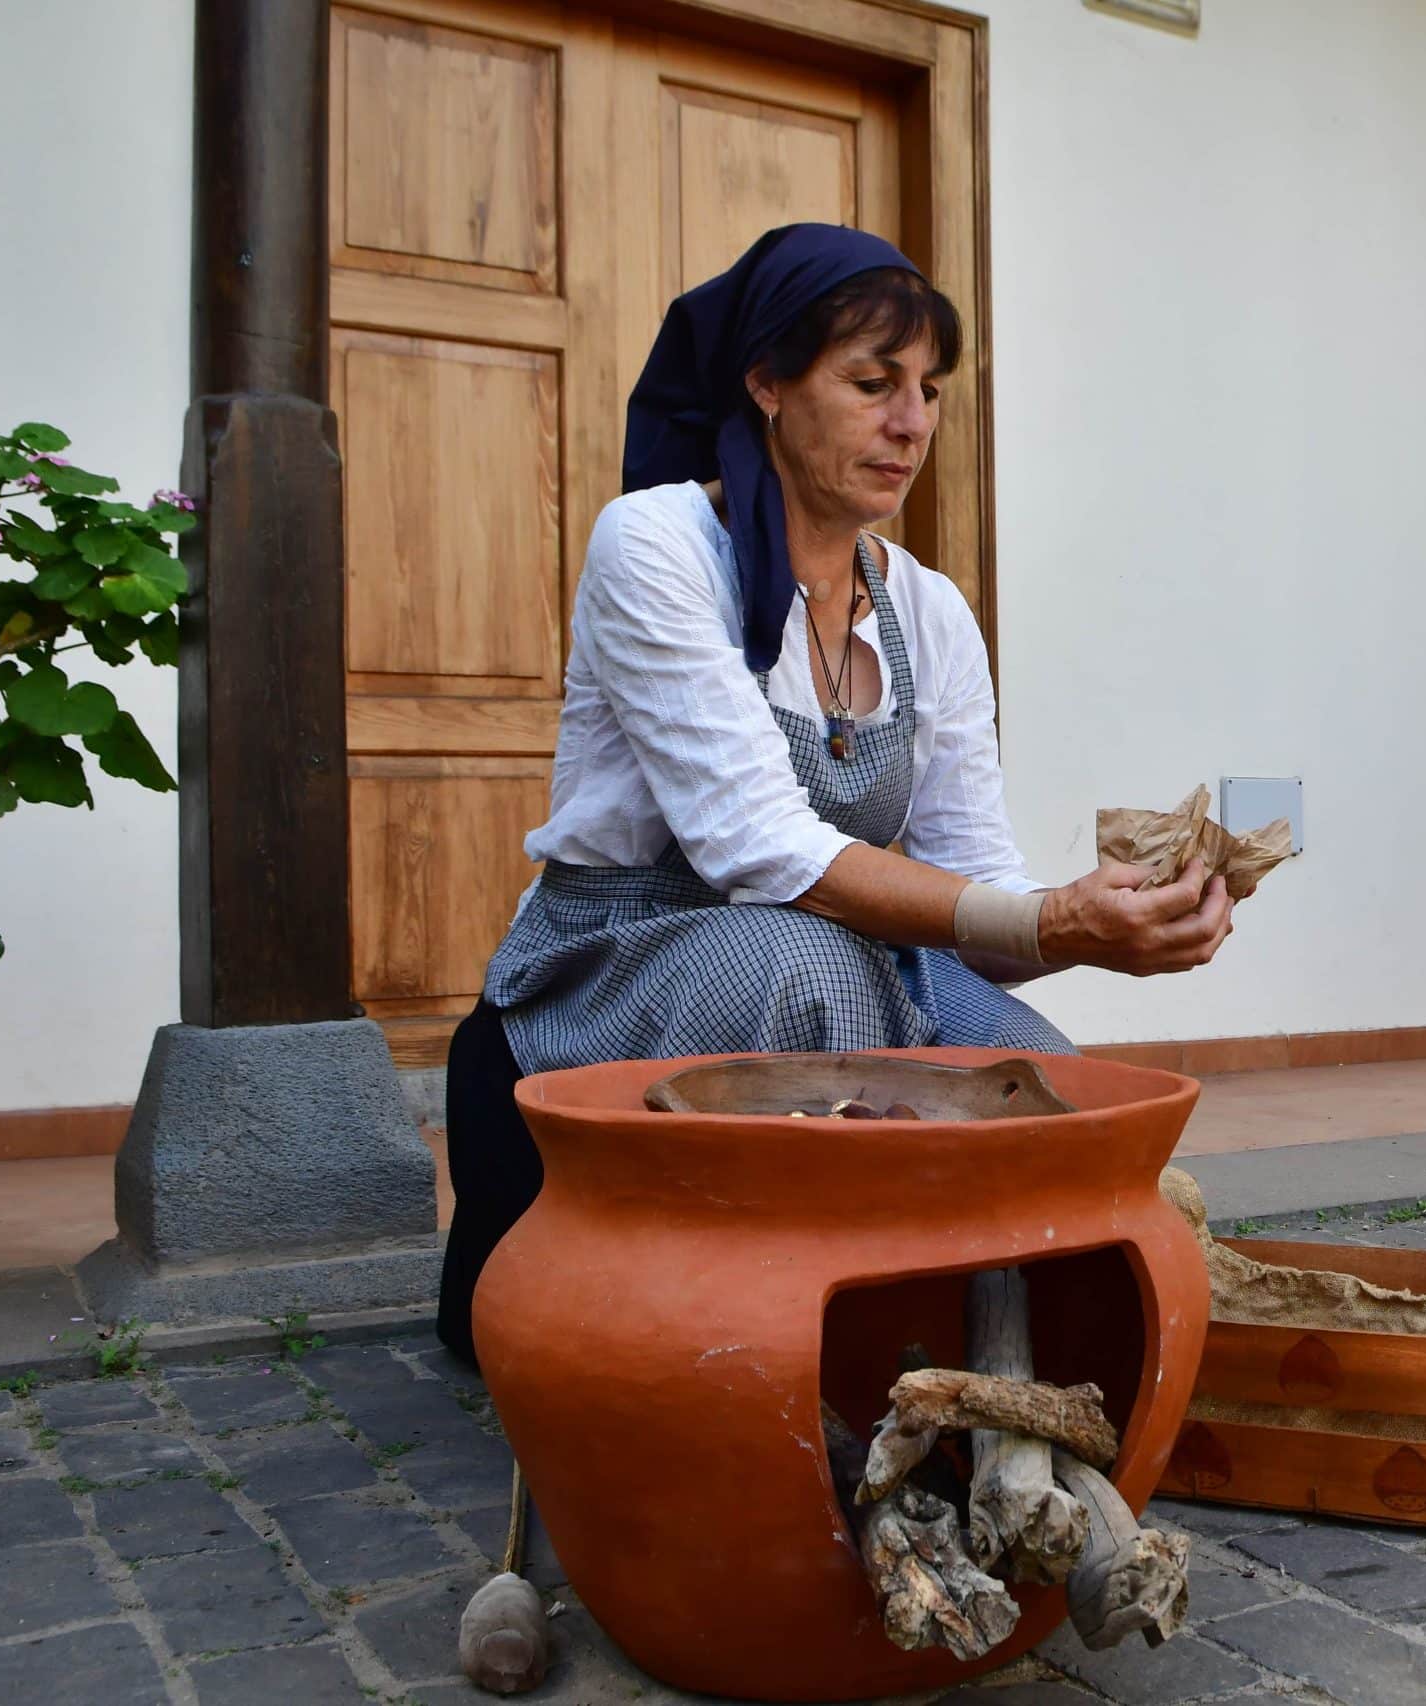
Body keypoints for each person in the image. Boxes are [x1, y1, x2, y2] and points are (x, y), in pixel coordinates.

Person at [437, 224, 1236, 1364]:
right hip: (614, 961)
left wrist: (1093, 918)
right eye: (871, 383)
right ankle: (838, 1340)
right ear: (766, 382)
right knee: (806, 974)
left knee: (1047, 1089)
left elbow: (976, 882)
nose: (910, 423)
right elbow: (756, 849)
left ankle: (1001, 1346)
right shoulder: (658, 544)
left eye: (929, 391)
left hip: (855, 964)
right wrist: (1044, 917)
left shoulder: (927, 608)